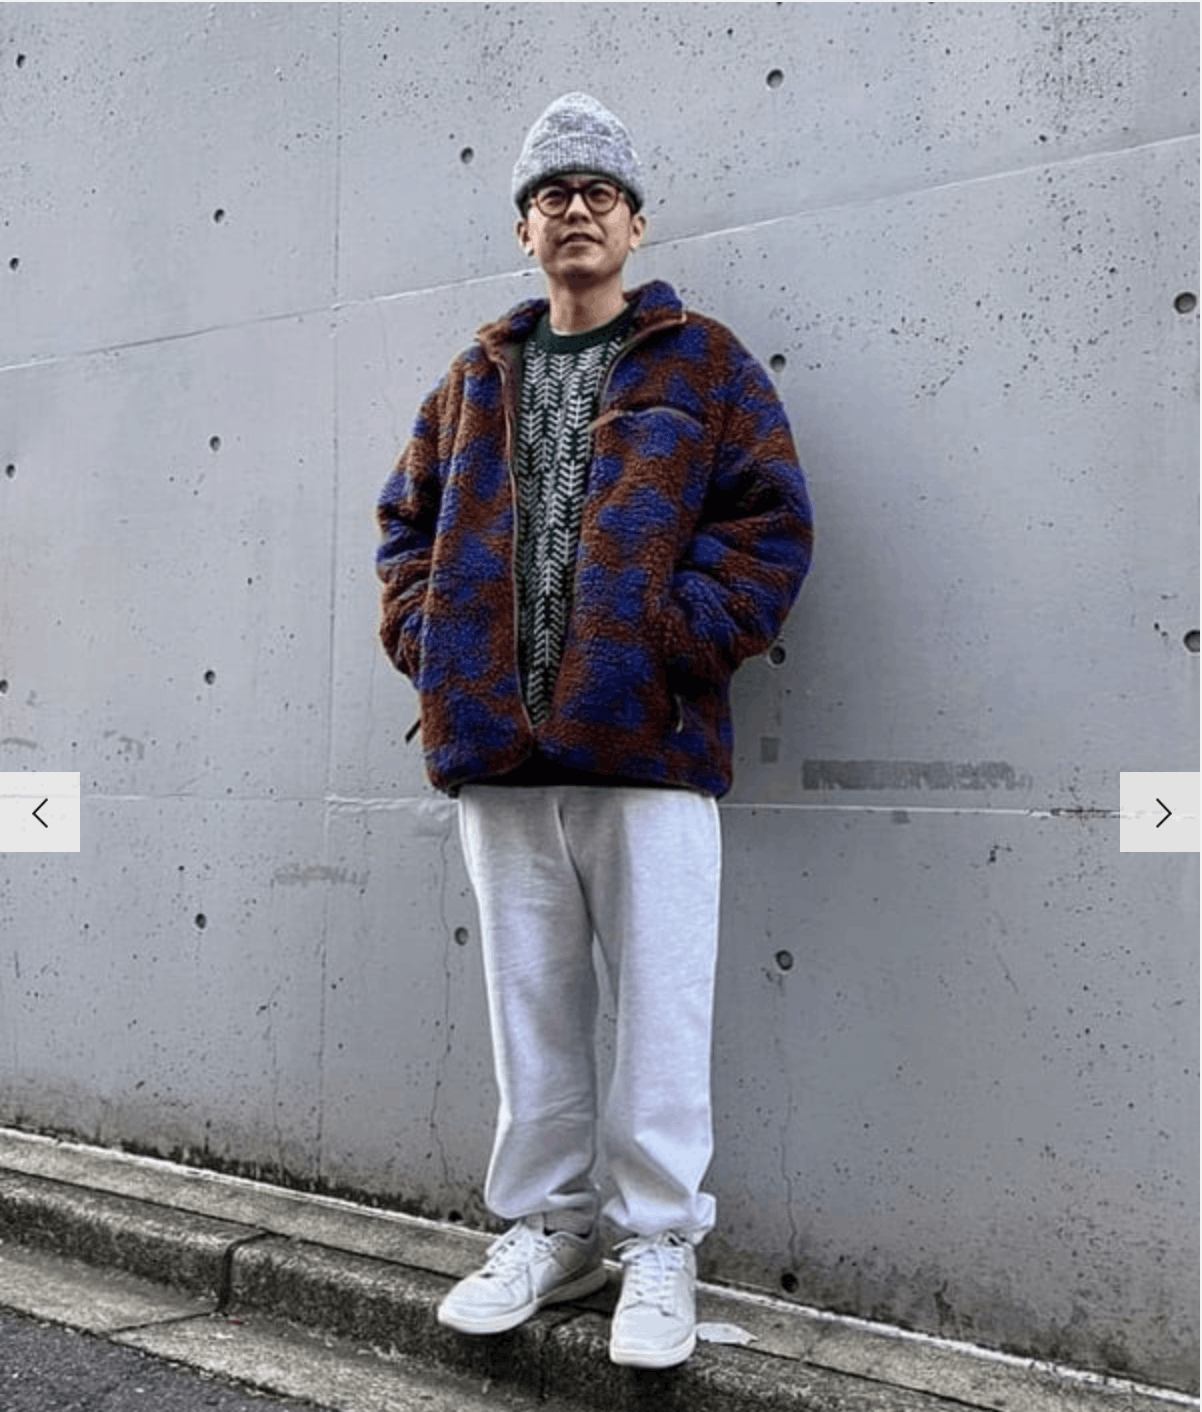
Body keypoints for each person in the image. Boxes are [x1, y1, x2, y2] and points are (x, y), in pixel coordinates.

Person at [376, 92, 813, 1370]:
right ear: (523, 229)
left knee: (661, 1007)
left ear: (634, 223)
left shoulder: (704, 365)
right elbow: (404, 530)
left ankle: (658, 1240)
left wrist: (672, 639)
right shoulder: (470, 381)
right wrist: (435, 644)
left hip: (648, 743)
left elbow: (768, 523)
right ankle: (549, 1228)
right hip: (496, 749)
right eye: (550, 195)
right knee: (530, 1007)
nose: (574, 211)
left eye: (597, 193)